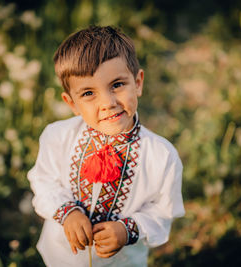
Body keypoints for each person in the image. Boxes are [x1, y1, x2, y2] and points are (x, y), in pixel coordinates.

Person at [27, 25, 184, 267]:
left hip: (122, 262)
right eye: (89, 93)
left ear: (138, 83)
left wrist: (127, 229)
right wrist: (68, 211)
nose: (108, 103)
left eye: (117, 85)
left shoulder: (161, 156)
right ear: (72, 103)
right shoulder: (57, 137)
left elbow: (163, 212)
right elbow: (43, 182)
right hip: (62, 257)